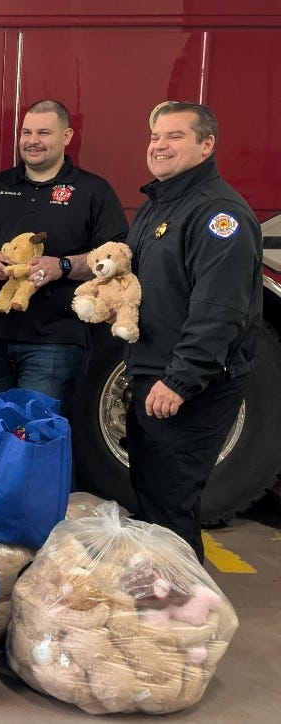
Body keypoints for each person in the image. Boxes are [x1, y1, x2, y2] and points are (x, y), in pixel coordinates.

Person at [124, 101, 261, 562]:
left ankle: (181, 616)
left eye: (174, 136)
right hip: (154, 373)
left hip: (189, 385)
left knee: (171, 500)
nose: (159, 146)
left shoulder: (218, 215)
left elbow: (220, 309)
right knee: (154, 494)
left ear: (206, 145)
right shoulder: (164, 202)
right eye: (155, 137)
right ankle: (164, 603)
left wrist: (180, 378)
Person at [0, 99, 128, 418]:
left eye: (44, 132)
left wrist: (61, 266)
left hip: (56, 341)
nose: (32, 141)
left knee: (35, 432)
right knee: (4, 432)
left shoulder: (93, 191)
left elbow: (116, 256)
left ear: (67, 136)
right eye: (26, 132)